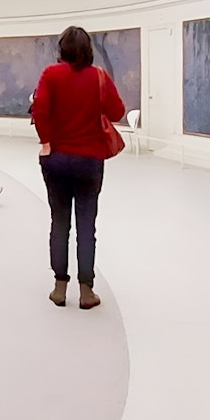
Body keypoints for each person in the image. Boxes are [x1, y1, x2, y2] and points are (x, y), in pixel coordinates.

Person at [32, 26, 125, 310]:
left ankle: (59, 288)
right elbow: (117, 112)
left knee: (59, 223)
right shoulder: (99, 76)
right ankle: (86, 291)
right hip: (90, 161)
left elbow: (40, 109)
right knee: (87, 225)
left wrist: (46, 142)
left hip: (57, 159)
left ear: (62, 49)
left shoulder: (51, 74)